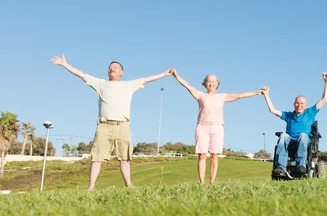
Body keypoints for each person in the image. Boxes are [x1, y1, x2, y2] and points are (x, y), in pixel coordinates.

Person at [50, 55, 172, 191]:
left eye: (115, 67)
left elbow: (146, 79)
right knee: (97, 157)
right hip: (104, 126)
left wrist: (164, 74)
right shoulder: (101, 84)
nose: (112, 69)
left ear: (121, 72)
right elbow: (82, 75)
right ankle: (91, 186)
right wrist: (64, 64)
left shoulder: (129, 85)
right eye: (110, 67)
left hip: (123, 126)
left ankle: (129, 185)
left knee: (124, 158)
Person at [171, 69, 263, 185]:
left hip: (217, 127)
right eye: (209, 81)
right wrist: (176, 75)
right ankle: (202, 183)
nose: (211, 83)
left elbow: (240, 95)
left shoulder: (222, 96)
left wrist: (258, 92)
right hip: (202, 127)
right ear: (205, 84)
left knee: (214, 155)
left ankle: (212, 182)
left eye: (214, 81)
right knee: (202, 155)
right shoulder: (200, 95)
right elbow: (187, 86)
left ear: (218, 84)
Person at [262, 73, 327, 177]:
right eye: (297, 103)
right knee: (283, 135)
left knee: (303, 135)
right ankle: (280, 167)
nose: (299, 105)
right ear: (294, 104)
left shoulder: (310, 112)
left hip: (304, 141)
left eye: (302, 103)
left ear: (305, 105)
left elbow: (324, 99)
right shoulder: (288, 115)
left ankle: (301, 166)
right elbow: (272, 110)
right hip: (290, 142)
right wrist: (266, 94)